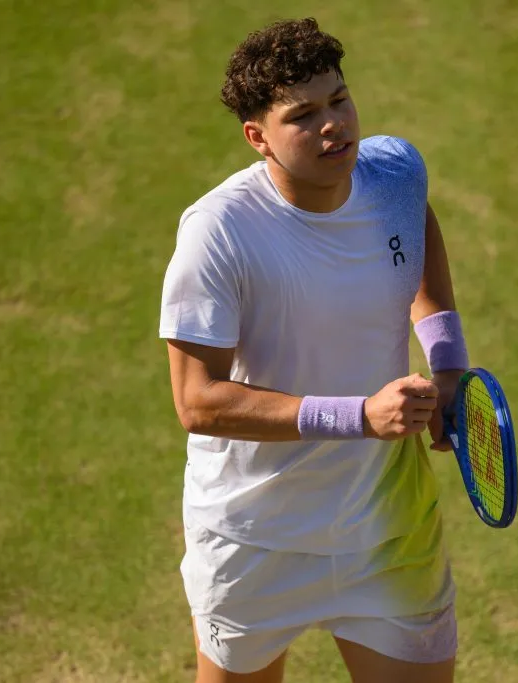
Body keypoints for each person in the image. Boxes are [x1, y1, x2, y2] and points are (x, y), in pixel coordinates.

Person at [158, 17, 470, 683]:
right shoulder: (217, 234)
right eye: (302, 115)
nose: (334, 125)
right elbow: (197, 401)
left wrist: (446, 365)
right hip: (252, 538)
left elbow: (416, 229)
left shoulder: (394, 174)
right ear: (257, 137)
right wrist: (360, 416)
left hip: (384, 526)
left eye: (339, 99)